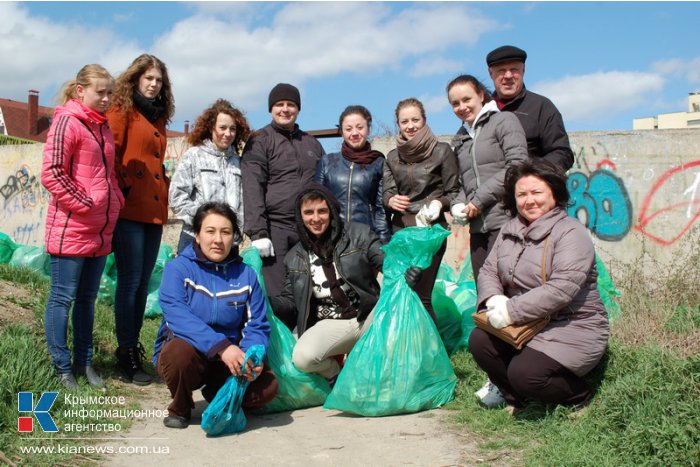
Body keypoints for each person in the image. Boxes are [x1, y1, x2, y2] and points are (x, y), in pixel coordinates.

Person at [469, 159, 609, 412]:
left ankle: (579, 397)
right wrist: (493, 299)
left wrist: (512, 310)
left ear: (554, 192)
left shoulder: (570, 232)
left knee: (527, 373)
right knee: (480, 340)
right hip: (529, 321)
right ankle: (518, 399)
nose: (529, 200)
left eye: (536, 192)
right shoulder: (509, 229)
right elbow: (489, 270)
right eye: (521, 194)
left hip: (573, 323)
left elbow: (562, 288)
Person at [269, 184, 421, 381]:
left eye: (322, 211)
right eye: (308, 212)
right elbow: (290, 302)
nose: (315, 218)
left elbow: (388, 263)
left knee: (395, 309)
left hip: (368, 316)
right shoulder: (294, 257)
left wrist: (406, 272)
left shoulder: (359, 234)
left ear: (331, 212)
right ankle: (338, 376)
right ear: (300, 217)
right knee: (302, 358)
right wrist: (265, 300)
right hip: (331, 325)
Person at [154, 202, 278, 429]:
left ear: (235, 238)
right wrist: (222, 347)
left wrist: (251, 355)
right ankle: (180, 404)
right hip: (191, 352)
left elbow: (257, 324)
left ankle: (218, 393)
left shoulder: (246, 275)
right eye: (210, 231)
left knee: (268, 386)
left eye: (226, 232)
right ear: (198, 235)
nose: (218, 240)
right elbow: (178, 316)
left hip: (229, 360)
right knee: (177, 355)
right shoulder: (178, 269)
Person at [41, 64, 124, 390]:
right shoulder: (67, 122)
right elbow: (52, 173)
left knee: (88, 300)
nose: (105, 99)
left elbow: (107, 176)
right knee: (62, 298)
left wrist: (114, 201)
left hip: (99, 231)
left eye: (109, 93)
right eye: (99, 92)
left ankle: (84, 363)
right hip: (72, 227)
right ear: (80, 91)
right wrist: (87, 204)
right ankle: (60, 367)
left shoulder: (102, 128)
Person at [107, 54, 175, 385]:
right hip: (129, 209)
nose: (153, 84)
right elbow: (111, 154)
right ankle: (126, 351)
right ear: (135, 78)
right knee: (130, 281)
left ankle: (133, 348)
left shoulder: (157, 118)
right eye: (148, 78)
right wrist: (126, 187)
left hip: (153, 211)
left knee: (143, 281)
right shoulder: (121, 112)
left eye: (159, 80)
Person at [241, 83, 325, 302]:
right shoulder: (260, 140)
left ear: (298, 109)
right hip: (274, 228)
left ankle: (306, 335)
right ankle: (278, 336)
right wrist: (258, 233)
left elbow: (325, 187)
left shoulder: (312, 144)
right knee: (276, 295)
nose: (285, 109)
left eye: (291, 104)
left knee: (310, 291)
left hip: (308, 229)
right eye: (279, 104)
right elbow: (252, 186)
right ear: (271, 109)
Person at [383, 97, 461, 323]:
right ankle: (407, 346)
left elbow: (454, 191)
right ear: (398, 124)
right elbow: (386, 192)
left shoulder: (442, 151)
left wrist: (440, 203)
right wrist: (390, 200)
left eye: (415, 120)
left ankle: (431, 353)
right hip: (402, 232)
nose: (410, 126)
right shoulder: (392, 157)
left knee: (421, 295)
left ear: (424, 120)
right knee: (402, 294)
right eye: (404, 121)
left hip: (430, 232)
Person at [446, 75, 528, 281]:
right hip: (478, 228)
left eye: (466, 99)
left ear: (481, 95)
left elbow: (517, 165)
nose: (461, 107)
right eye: (455, 103)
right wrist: (459, 204)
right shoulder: (462, 139)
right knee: (484, 294)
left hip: (506, 220)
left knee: (508, 290)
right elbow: (466, 182)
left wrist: (479, 200)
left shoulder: (504, 121)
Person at [169, 98, 251, 253]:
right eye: (223, 128)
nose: (228, 134)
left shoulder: (239, 163)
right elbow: (177, 197)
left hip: (228, 243)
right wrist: (204, 222)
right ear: (211, 128)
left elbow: (244, 202)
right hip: (194, 239)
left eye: (232, 129)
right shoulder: (193, 156)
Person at [486, 45, 574, 172]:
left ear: (524, 70)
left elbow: (562, 153)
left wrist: (532, 175)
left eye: (514, 69)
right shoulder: (481, 110)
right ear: (490, 73)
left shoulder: (542, 106)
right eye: (501, 70)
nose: (508, 75)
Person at [314, 105, 390, 243]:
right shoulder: (327, 162)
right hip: (333, 238)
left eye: (360, 127)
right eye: (348, 129)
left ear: (369, 129)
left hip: (366, 239)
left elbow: (381, 209)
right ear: (342, 132)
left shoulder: (378, 162)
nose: (354, 133)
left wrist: (383, 241)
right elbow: (316, 203)